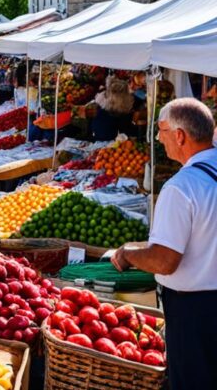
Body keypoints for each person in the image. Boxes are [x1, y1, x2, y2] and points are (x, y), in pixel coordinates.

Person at [111, 98, 217, 389]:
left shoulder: (182, 187)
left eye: (162, 130)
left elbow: (164, 261)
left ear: (180, 135)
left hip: (197, 312)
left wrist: (129, 253)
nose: (158, 138)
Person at [91, 75, 135, 141]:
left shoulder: (102, 101)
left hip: (98, 134)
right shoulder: (121, 108)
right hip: (109, 139)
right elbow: (126, 129)